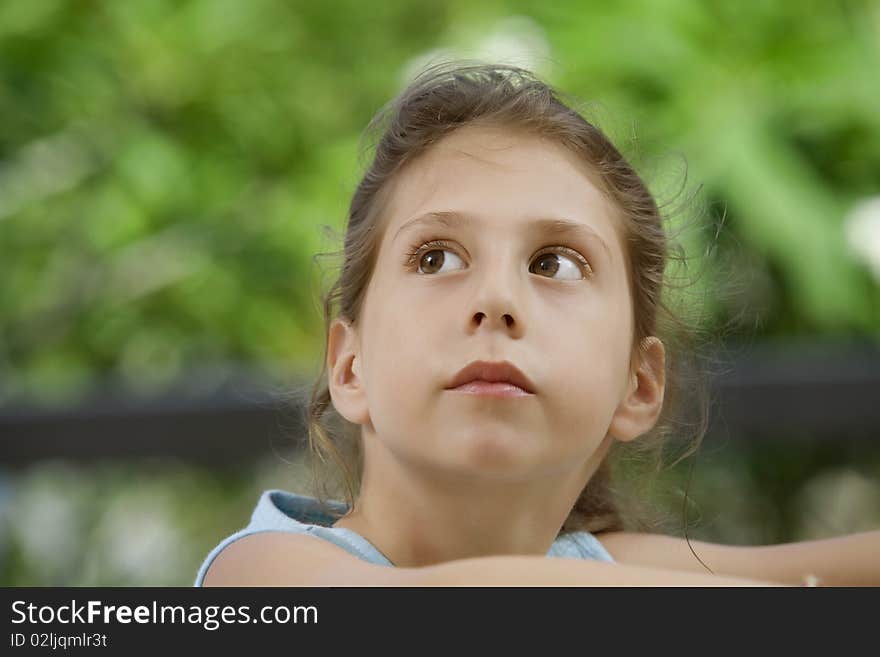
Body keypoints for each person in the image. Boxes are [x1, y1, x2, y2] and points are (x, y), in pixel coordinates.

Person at [195, 61, 878, 587]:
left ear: (637, 385)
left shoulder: (609, 570)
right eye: (436, 257)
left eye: (556, 262)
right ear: (350, 367)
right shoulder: (264, 570)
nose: (497, 299)